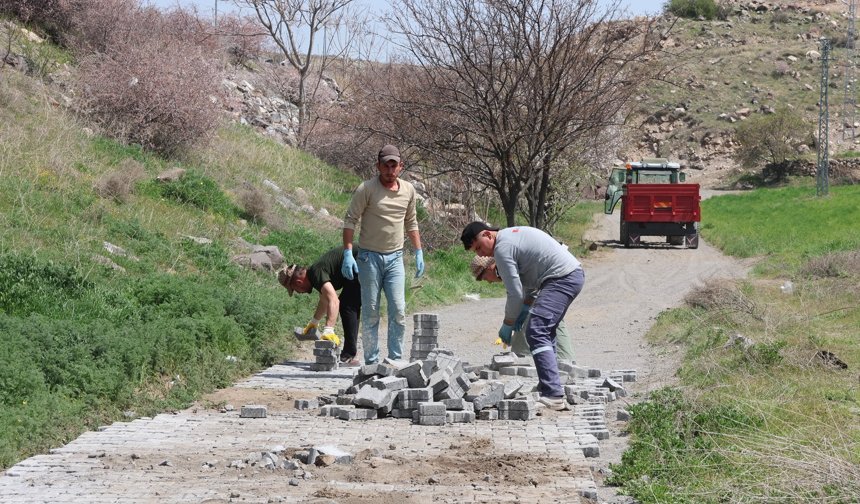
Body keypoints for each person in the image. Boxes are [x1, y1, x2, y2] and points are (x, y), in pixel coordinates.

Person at [461, 221, 585, 411]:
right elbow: (529, 282)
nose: (480, 254)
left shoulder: (502, 248)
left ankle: (553, 395)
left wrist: (508, 323)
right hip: (566, 275)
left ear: (487, 234)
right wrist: (526, 308)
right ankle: (549, 386)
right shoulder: (511, 237)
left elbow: (515, 293)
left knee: (536, 330)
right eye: (475, 252)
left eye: (479, 247)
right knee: (544, 330)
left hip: (562, 277)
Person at [341, 144, 424, 364]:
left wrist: (418, 251)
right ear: (378, 166)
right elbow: (350, 220)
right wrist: (348, 253)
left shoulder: (408, 190)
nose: (389, 170)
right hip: (369, 258)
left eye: (393, 165)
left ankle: (395, 361)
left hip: (395, 258)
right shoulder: (366, 189)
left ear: (400, 167)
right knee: (370, 312)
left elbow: (411, 221)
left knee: (398, 309)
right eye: (385, 165)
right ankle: (371, 363)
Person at [469, 255, 576, 364]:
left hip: (552, 290)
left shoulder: (511, 265)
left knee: (530, 327)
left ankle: (529, 363)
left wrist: (511, 322)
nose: (489, 282)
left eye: (485, 278)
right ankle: (565, 364)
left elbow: (530, 290)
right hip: (547, 299)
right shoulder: (506, 270)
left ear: (489, 268)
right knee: (551, 329)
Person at [277, 247, 362, 366]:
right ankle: (350, 354)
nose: (299, 292)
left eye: (295, 290)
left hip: (362, 259)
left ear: (298, 283)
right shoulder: (315, 274)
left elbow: (334, 301)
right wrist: (314, 322)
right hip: (361, 261)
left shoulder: (316, 272)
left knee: (347, 306)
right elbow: (325, 300)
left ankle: (350, 356)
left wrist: (329, 330)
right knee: (349, 304)